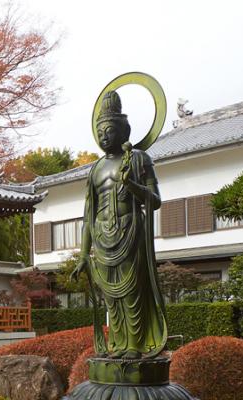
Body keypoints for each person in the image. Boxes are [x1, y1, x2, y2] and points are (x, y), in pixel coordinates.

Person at [71, 90, 168, 359]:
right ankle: (117, 344)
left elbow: (156, 200)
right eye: (100, 131)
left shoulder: (138, 159)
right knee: (111, 298)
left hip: (130, 230)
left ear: (124, 131)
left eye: (110, 130)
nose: (104, 136)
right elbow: (88, 215)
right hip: (102, 236)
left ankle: (136, 346)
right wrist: (82, 255)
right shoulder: (95, 169)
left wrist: (132, 186)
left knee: (132, 293)